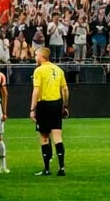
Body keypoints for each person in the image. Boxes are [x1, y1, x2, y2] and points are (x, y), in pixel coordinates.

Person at [30, 45, 68, 176]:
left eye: (36, 55)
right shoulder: (58, 70)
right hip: (57, 104)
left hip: (44, 105)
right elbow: (65, 89)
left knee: (44, 137)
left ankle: (46, 169)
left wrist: (32, 108)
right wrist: (65, 106)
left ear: (42, 57)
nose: (35, 57)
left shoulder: (39, 71)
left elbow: (36, 90)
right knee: (57, 136)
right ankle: (62, 168)